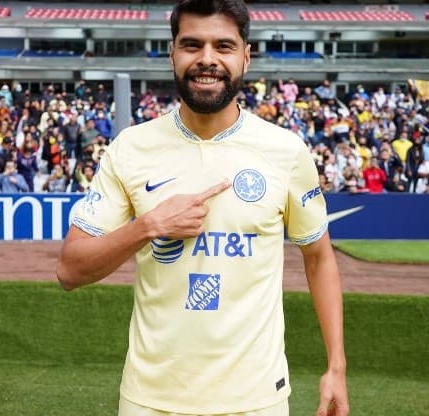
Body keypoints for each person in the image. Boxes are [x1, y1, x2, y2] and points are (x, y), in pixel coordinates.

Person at [56, 2, 349, 416]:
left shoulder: (286, 151)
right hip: (149, 399)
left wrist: (336, 367)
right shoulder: (130, 148)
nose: (207, 59)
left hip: (257, 400)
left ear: (245, 56)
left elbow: (319, 259)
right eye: (192, 45)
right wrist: (149, 226)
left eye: (223, 46)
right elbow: (70, 269)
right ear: (172, 53)